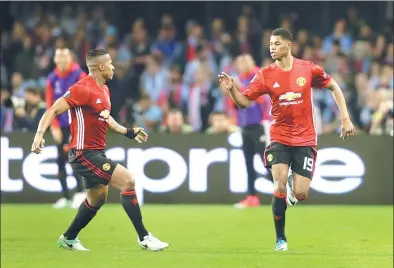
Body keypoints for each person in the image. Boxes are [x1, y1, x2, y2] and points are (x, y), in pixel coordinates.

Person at [218, 28, 355, 251]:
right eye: (270, 44)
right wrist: (232, 89)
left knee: (301, 193)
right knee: (279, 184)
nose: (272, 47)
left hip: (305, 138)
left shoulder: (307, 68)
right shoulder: (265, 74)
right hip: (279, 136)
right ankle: (280, 239)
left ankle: (293, 186)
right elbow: (243, 102)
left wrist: (345, 118)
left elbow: (333, 86)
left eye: (277, 43)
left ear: (288, 45)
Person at [31, 48, 169, 251]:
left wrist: (128, 132)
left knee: (97, 198)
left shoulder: (104, 89)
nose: (114, 67)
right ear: (101, 67)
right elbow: (52, 109)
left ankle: (68, 238)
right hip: (82, 153)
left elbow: (105, 117)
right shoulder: (81, 88)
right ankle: (144, 237)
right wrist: (39, 134)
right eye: (111, 63)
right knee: (128, 180)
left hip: (96, 151)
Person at [46, 48, 87, 209]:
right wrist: (53, 126)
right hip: (60, 126)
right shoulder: (52, 79)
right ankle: (65, 196)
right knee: (60, 159)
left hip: (76, 124)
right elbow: (50, 105)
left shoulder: (79, 75)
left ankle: (80, 193)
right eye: (59, 56)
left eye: (65, 56)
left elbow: (84, 101)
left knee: (74, 158)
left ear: (71, 58)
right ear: (55, 60)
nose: (62, 59)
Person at [231, 54, 273, 208]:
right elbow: (236, 103)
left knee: (266, 161)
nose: (240, 66)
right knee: (248, 162)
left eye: (243, 62)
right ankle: (252, 197)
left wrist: (238, 88)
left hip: (259, 124)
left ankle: (282, 192)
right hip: (245, 125)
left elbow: (259, 98)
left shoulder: (259, 76)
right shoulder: (240, 78)